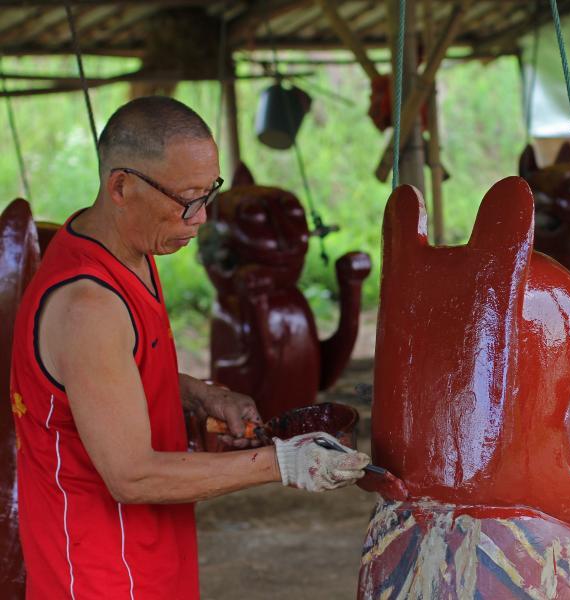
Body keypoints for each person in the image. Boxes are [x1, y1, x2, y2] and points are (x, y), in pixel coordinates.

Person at [10, 96, 371, 599]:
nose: (200, 218)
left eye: (209, 194)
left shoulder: (129, 247)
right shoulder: (87, 306)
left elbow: (104, 374)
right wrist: (284, 463)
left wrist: (195, 393)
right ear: (121, 186)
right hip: (100, 571)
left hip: (151, 551)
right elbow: (132, 476)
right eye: (188, 199)